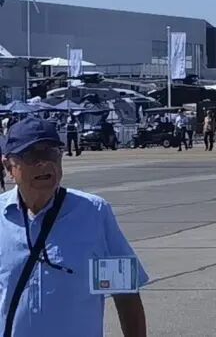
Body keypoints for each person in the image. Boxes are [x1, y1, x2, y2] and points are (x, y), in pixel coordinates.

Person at [0, 117, 148, 337]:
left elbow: (125, 293)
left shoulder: (93, 213)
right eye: (32, 156)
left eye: (51, 153)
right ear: (8, 167)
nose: (44, 163)